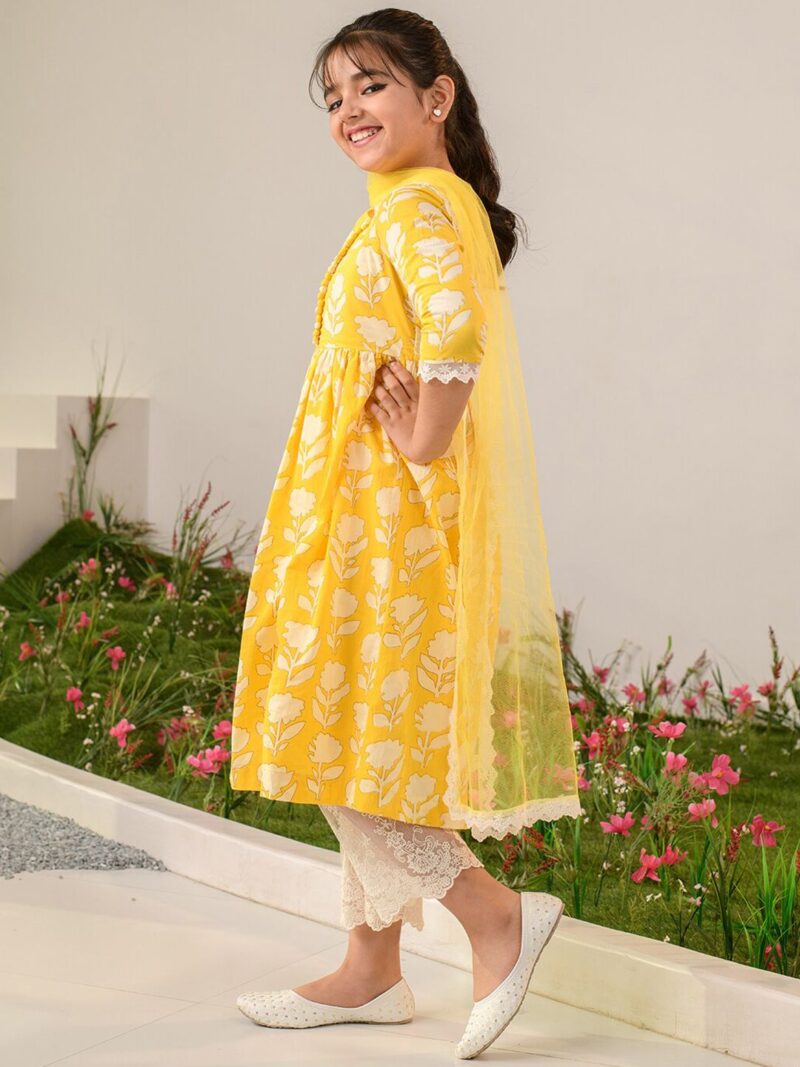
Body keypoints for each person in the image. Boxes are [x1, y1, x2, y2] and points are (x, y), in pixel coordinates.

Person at [231, 10, 580, 1058]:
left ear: (436, 97)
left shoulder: (421, 206)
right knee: (358, 734)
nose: (348, 109)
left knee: (327, 729)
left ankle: (495, 915)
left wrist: (422, 435)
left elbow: (453, 326)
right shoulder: (408, 203)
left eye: (371, 84)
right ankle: (370, 968)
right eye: (334, 95)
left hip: (381, 528)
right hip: (357, 519)